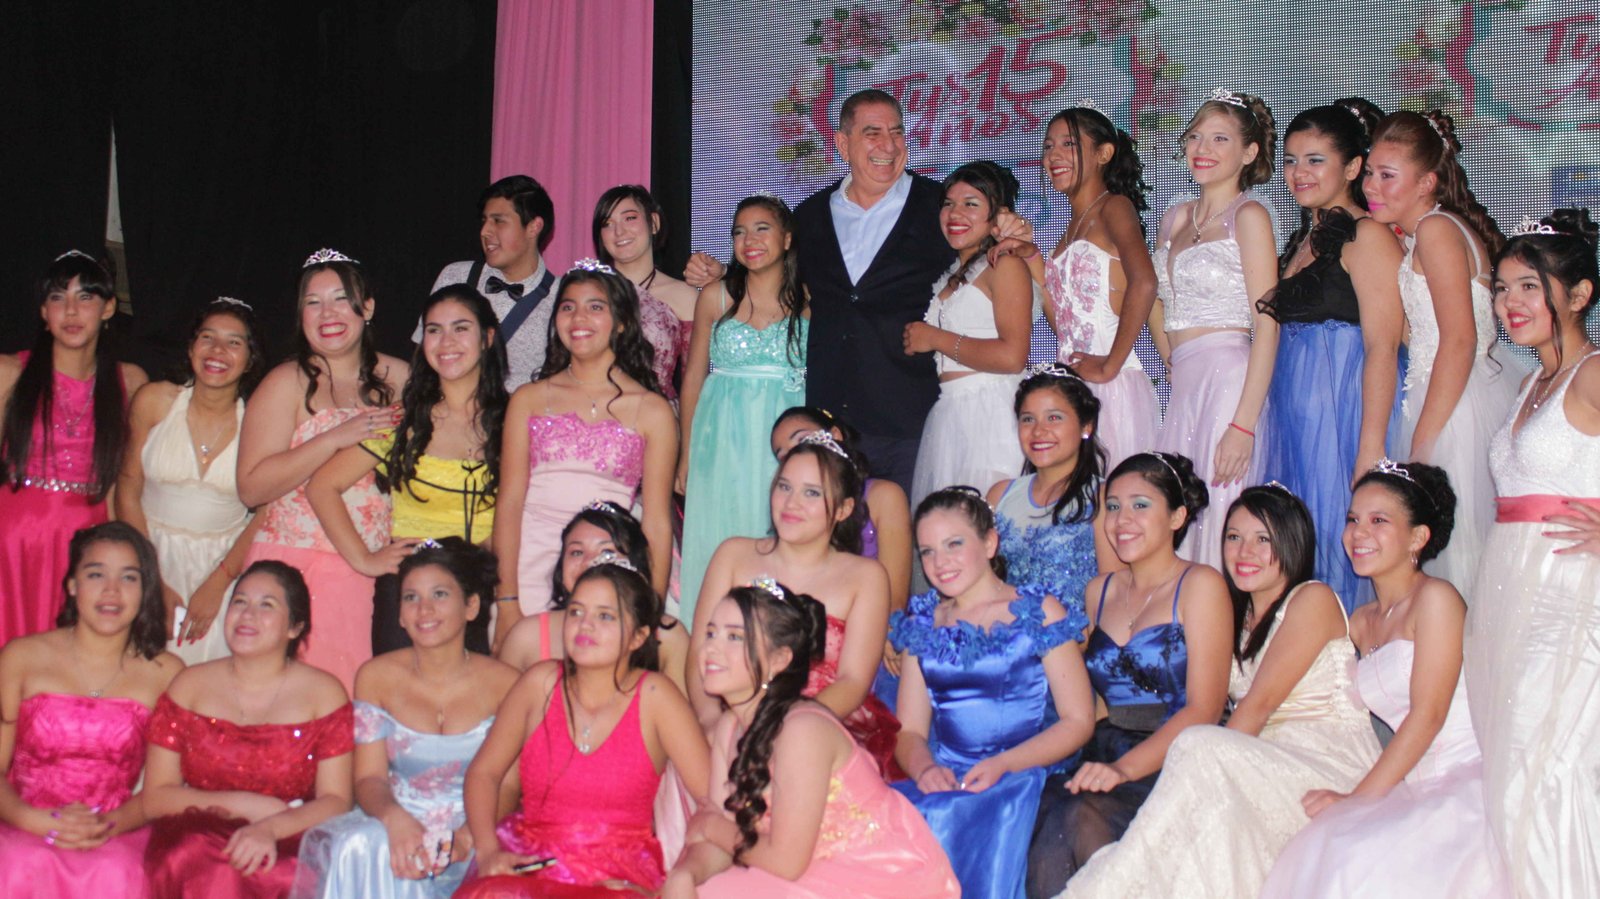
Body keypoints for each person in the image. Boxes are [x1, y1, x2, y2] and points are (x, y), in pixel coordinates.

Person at [1056, 485, 1379, 897]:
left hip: (1323, 759)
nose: (1245, 552)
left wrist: (1191, 759)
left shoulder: (1312, 599)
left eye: (1263, 539)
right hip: (1261, 759)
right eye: (1234, 537)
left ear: (1293, 542)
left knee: (1197, 744)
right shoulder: (1236, 614)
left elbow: (1258, 705)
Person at [686, 90, 955, 497]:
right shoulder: (810, 216)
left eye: (897, 132)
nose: (889, 145)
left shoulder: (939, 206)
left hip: (911, 421)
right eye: (873, 133)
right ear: (842, 144)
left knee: (910, 534)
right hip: (831, 424)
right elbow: (779, 281)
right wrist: (725, 273)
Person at [1261, 461, 1508, 898]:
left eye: (1378, 521)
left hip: (1467, 777)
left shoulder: (1436, 599)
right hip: (1411, 782)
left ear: (1417, 537)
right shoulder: (1360, 622)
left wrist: (1357, 799)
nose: (1358, 533)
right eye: (1353, 519)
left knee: (1364, 864)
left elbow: (1428, 716)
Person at [664, 582, 960, 898]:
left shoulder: (802, 729)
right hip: (794, 871)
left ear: (779, 660)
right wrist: (686, 874)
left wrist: (710, 827)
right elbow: (720, 839)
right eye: (710, 633)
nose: (711, 648)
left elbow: (779, 858)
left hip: (871, 876)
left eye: (735, 637)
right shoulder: (729, 728)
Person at [1466, 209, 1600, 899]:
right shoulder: (1528, 384)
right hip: (1507, 593)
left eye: (1528, 286)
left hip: (1571, 597)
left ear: (1577, 295)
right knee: (1507, 765)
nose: (1509, 303)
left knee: (1546, 766)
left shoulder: (1593, 374)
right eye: (1501, 288)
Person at [1025, 452, 1231, 898]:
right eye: (1114, 507)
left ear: (1177, 517)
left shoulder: (1201, 585)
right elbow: (1098, 699)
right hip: (1104, 745)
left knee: (1082, 815)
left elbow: (1205, 708)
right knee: (1042, 807)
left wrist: (1122, 769)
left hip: (1179, 754)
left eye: (1140, 505)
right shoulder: (1098, 591)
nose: (1122, 520)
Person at [457, 557, 711, 896]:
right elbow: (483, 773)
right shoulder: (539, 683)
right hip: (530, 862)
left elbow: (711, 799)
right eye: (576, 612)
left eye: (605, 616)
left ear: (638, 637)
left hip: (620, 873)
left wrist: (679, 877)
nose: (585, 626)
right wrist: (488, 850)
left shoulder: (655, 696)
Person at [889, 486, 1094, 899]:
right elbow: (908, 731)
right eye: (927, 551)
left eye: (953, 544)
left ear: (989, 543)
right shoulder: (923, 622)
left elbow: (1078, 721)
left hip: (1022, 774)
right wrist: (925, 769)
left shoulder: (1037, 610)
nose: (939, 562)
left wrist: (1004, 764)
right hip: (947, 776)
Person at [292, 538, 519, 899]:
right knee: (364, 845)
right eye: (411, 597)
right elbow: (369, 777)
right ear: (399, 613)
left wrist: (467, 838)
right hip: (397, 821)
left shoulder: (507, 684)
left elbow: (507, 786)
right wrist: (395, 820)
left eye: (440, 595)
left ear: (471, 606)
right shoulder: (375, 676)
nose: (424, 609)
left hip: (480, 828)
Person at [236, 249, 409, 689]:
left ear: (367, 307)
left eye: (340, 299)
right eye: (313, 302)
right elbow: (251, 488)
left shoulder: (403, 379)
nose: (327, 313)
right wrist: (332, 438)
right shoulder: (286, 382)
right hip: (290, 564)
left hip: (366, 568)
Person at [1259, 99, 1406, 610]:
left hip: (1343, 420)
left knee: (1340, 545)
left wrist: (1370, 449)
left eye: (1315, 160)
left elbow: (1383, 345)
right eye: (1291, 160)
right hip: (1294, 424)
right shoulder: (1302, 239)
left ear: (1352, 166)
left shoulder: (1367, 235)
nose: (1299, 172)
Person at [1364, 109, 1518, 593]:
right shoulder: (1423, 234)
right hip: (1435, 393)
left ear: (1427, 182)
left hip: (1453, 405)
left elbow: (1459, 340)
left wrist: (1424, 446)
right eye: (1369, 172)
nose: (1371, 186)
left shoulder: (1436, 230)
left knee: (1452, 556)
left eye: (1387, 175)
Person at [307, 285, 505, 656]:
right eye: (434, 330)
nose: (446, 342)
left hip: (480, 590)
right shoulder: (402, 420)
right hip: (407, 589)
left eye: (461, 328)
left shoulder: (513, 420)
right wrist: (365, 559)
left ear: (487, 338)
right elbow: (322, 485)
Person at [142, 560, 355, 898]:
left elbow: (337, 800)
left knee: (282, 872)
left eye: (266, 605)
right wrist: (245, 805)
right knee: (195, 856)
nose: (247, 614)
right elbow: (155, 798)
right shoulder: (189, 685)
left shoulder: (324, 694)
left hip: (289, 833)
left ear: (295, 627)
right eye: (239, 601)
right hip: (197, 834)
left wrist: (270, 828)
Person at [689, 437, 900, 770]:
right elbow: (700, 652)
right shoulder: (733, 555)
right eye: (784, 487)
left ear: (844, 509)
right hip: (729, 722)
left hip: (821, 724)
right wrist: (711, 721)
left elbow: (853, 682)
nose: (791, 503)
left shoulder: (866, 577)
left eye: (811, 493)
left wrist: (781, 729)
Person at [492, 262, 676, 643]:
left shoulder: (653, 411)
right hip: (529, 564)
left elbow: (657, 522)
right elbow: (508, 504)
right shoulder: (528, 399)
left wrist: (651, 610)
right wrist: (507, 600)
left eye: (595, 307)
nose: (579, 318)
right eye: (568, 306)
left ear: (622, 322)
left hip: (609, 565)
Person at [0, 523, 183, 898]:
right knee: (15, 861)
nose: (111, 590)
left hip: (116, 830)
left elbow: (163, 788)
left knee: (119, 873)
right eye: (96, 574)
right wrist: (31, 819)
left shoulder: (167, 674)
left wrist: (104, 825)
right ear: (72, 585)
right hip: (20, 822)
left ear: (145, 590)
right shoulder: (21, 656)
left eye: (128, 578)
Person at [1151, 89, 1280, 570]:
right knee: (1176, 511)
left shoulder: (1250, 216)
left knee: (1222, 507)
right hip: (1185, 383)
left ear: (1248, 153)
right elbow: (1157, 300)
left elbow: (1267, 322)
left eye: (1220, 139)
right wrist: (1170, 356)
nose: (1202, 148)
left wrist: (1243, 425)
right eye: (1195, 136)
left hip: (1229, 380)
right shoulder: (1174, 217)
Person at [0, 251, 147, 646]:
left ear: (108, 307)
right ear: (43, 312)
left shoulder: (130, 382)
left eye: (85, 297)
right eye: (57, 297)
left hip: (89, 544)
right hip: (13, 539)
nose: (70, 311)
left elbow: (122, 485)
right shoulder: (9, 372)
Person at [677, 194, 810, 622]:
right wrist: (686, 453)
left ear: (786, 239)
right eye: (739, 231)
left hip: (783, 437)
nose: (749, 240)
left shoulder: (810, 299)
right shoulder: (716, 297)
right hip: (721, 438)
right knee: (720, 534)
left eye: (761, 229)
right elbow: (692, 378)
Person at [118, 298, 267, 663]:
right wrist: (151, 577)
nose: (218, 351)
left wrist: (219, 583)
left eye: (234, 342)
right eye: (207, 337)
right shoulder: (154, 401)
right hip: (147, 553)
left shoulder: (260, 422)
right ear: (190, 347)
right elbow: (127, 486)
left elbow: (267, 512)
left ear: (250, 359)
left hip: (223, 568)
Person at [1035, 105, 1160, 470]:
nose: (1054, 155)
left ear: (1104, 153)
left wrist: (1110, 365)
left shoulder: (1114, 208)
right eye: (1048, 146)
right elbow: (1064, 325)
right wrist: (1030, 258)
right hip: (1072, 386)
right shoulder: (1068, 229)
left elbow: (1145, 281)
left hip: (1111, 388)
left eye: (1069, 144)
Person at [905, 160, 1034, 510]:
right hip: (952, 413)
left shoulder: (1005, 264)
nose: (955, 213)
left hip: (991, 412)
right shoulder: (953, 272)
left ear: (997, 215)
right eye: (948, 203)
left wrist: (935, 338)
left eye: (971, 203)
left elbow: (1013, 357)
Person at [497, 501, 690, 692]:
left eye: (606, 552)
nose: (589, 561)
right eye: (576, 552)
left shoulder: (668, 637)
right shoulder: (526, 637)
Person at [987, 365, 1116, 608]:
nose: (1038, 431)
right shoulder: (999, 495)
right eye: (1028, 419)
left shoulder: (1103, 497)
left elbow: (1112, 600)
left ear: (1086, 426)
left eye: (1054, 418)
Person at [770, 405, 913, 612]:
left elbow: (894, 602)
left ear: (835, 435)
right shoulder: (790, 508)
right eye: (783, 455)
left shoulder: (883, 496)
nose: (796, 454)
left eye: (802, 440)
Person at [418, 175, 557, 388]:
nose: (484, 232)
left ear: (533, 227)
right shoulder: (456, 275)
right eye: (484, 221)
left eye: (498, 221)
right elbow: (422, 356)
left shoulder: (561, 296)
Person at [594, 184, 698, 396]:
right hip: (594, 411)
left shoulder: (684, 296)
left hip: (659, 413)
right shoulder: (589, 291)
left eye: (630, 218)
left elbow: (694, 381)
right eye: (607, 224)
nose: (619, 231)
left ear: (654, 223)